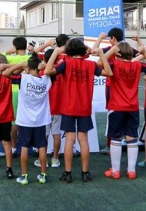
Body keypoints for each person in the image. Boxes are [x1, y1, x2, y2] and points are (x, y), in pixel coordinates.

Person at [44, 38, 112, 183]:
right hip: (84, 107)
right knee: (83, 140)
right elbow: (109, 73)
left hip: (69, 107)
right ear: (83, 50)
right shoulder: (90, 64)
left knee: (70, 139)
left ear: (68, 51)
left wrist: (56, 52)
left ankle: (68, 173)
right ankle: (85, 173)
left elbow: (48, 71)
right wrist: (100, 54)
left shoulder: (66, 63)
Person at [102, 41, 146, 180]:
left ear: (117, 54)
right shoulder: (137, 65)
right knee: (132, 138)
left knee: (116, 138)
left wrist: (112, 50)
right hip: (133, 107)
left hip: (116, 106)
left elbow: (101, 63)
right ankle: (131, 171)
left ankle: (116, 171)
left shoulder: (114, 64)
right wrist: (143, 53)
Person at [6, 53, 52, 185]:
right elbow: (52, 68)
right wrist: (43, 67)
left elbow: (5, 74)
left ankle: (24, 176)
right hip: (41, 120)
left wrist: (19, 65)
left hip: (25, 120)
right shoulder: (46, 79)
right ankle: (43, 175)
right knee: (42, 146)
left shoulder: (23, 78)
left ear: (28, 68)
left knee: (25, 147)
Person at [34, 33, 69, 169]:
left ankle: (42, 159)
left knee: (45, 135)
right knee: (56, 134)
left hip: (45, 109)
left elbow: (34, 54)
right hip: (58, 108)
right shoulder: (61, 69)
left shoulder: (42, 73)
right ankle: (54, 159)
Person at [3, 36, 31, 158]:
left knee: (14, 121)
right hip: (27, 91)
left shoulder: (9, 58)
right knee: (29, 119)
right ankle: (32, 146)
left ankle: (14, 148)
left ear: (15, 46)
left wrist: (7, 52)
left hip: (14, 91)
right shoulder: (30, 58)